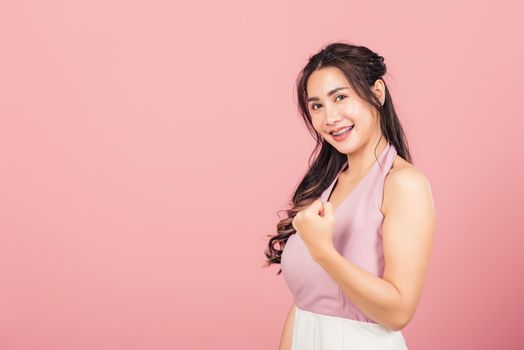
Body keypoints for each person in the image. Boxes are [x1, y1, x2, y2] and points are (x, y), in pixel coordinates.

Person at [263, 42, 436, 349]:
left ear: (378, 92)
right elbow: (304, 304)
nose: (329, 117)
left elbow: (398, 312)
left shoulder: (403, 184)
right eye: (317, 106)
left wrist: (324, 253)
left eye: (340, 97)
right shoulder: (324, 186)